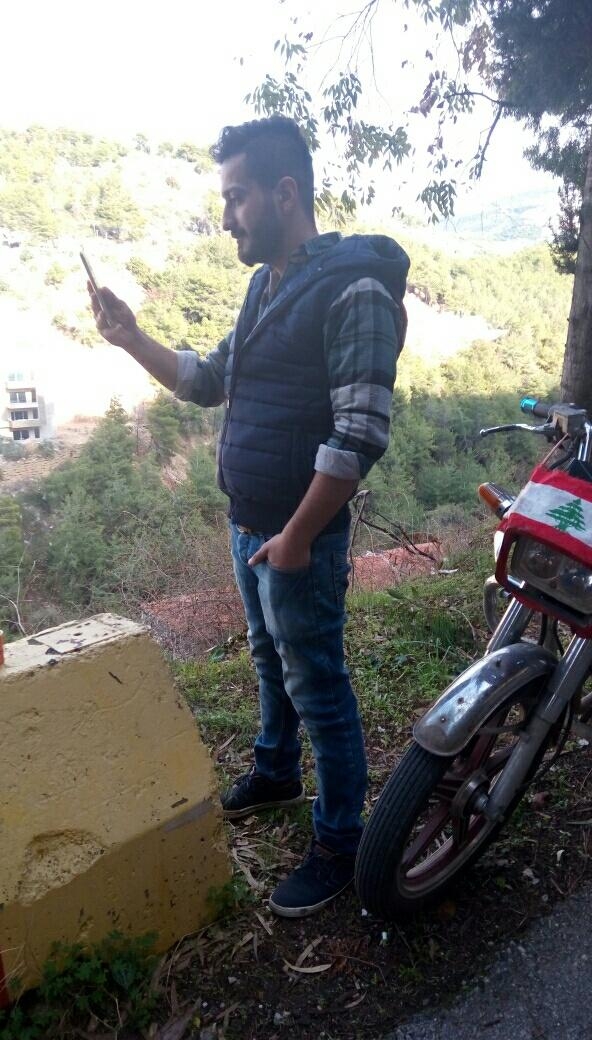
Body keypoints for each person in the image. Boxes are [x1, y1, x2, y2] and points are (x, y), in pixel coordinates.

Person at [89, 115, 409, 918]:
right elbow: (207, 380)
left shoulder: (356, 288)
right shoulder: (266, 284)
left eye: (236, 197)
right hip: (252, 527)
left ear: (284, 192)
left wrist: (297, 537)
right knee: (270, 659)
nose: (226, 216)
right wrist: (131, 338)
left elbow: (360, 433)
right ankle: (275, 771)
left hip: (300, 538)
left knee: (318, 683)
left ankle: (340, 839)